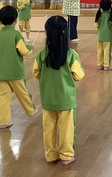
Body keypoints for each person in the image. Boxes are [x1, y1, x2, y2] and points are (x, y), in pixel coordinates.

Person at [33, 16, 85, 166]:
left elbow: (36, 73)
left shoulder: (42, 55)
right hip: (66, 100)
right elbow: (79, 75)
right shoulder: (71, 55)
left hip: (47, 99)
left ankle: (50, 155)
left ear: (47, 34)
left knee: (48, 129)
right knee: (67, 129)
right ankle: (66, 156)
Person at [0, 5, 38, 130]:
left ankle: (4, 122)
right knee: (23, 93)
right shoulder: (16, 35)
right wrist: (31, 48)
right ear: (16, 20)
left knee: (3, 98)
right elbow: (25, 52)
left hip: (0, 73)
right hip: (15, 72)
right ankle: (31, 110)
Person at [94, 0, 112, 71]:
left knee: (100, 50)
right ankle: (106, 65)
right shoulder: (111, 16)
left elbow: (96, 25)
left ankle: (100, 64)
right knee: (107, 51)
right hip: (108, 37)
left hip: (100, 36)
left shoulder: (99, 15)